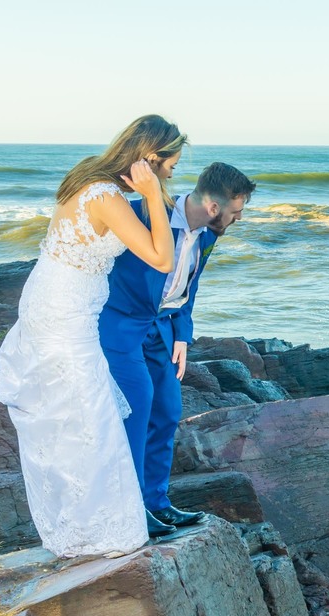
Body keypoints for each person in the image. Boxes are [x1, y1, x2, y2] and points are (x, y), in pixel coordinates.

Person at [0, 115, 186, 558]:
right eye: (171, 165)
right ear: (150, 158)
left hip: (55, 301)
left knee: (76, 413)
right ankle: (95, 529)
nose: (173, 173)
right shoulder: (104, 195)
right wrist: (154, 199)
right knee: (87, 413)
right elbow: (162, 258)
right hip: (64, 313)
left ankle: (82, 522)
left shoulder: (90, 176)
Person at [99, 162, 256, 536]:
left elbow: (189, 286)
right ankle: (132, 508)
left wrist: (183, 335)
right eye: (236, 212)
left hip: (163, 331)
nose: (239, 220)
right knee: (135, 414)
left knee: (167, 412)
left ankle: (157, 503)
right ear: (214, 208)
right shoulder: (141, 213)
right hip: (122, 326)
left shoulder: (207, 235)